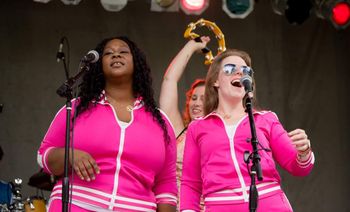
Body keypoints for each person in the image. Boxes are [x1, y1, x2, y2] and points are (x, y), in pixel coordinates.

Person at [160, 38, 313, 210]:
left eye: (246, 70)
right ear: (215, 81)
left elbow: (299, 168)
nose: (240, 73)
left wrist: (303, 151)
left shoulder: (266, 119)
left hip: (270, 204)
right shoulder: (198, 127)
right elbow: (191, 183)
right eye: (230, 69)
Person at [37, 36, 177, 212]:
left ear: (137, 63)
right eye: (108, 53)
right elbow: (43, 156)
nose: (116, 55)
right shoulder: (76, 108)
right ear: (99, 66)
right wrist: (70, 155)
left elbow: (166, 185)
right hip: (77, 205)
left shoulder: (160, 122)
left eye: (123, 52)